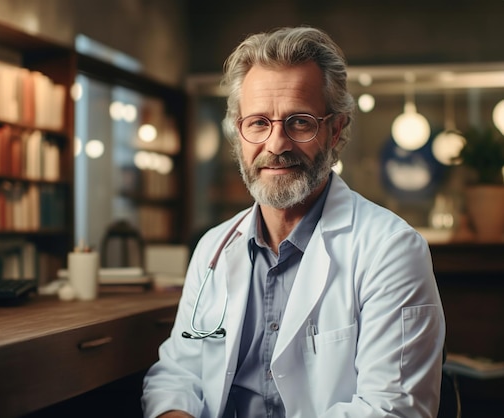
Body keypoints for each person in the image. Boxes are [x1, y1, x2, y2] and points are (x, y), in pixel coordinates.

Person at [142, 26, 446, 418]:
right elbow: (178, 374)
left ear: (335, 130)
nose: (276, 144)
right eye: (258, 123)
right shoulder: (215, 247)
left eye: (299, 122)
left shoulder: (391, 249)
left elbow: (394, 410)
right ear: (239, 134)